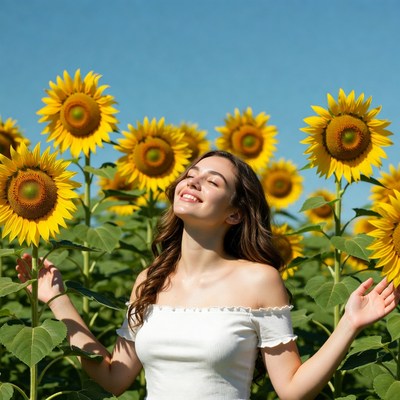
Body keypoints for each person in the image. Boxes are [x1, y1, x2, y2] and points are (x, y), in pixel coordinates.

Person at [16, 150, 400, 400]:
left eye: (213, 181)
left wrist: (348, 324)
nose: (193, 181)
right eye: (191, 174)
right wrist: (58, 300)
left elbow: (292, 389)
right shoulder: (150, 280)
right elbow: (115, 378)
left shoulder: (258, 280)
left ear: (234, 213)